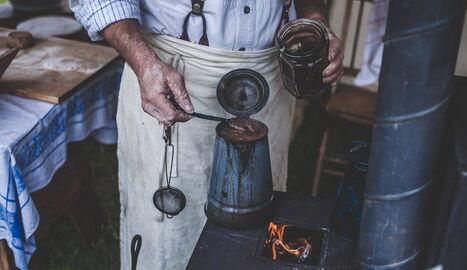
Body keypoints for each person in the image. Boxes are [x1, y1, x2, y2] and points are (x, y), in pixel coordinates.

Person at [71, 0, 343, 269]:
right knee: (170, 234)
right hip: (170, 72)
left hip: (270, 74)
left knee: (256, 225)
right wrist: (143, 62)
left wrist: (314, 17)